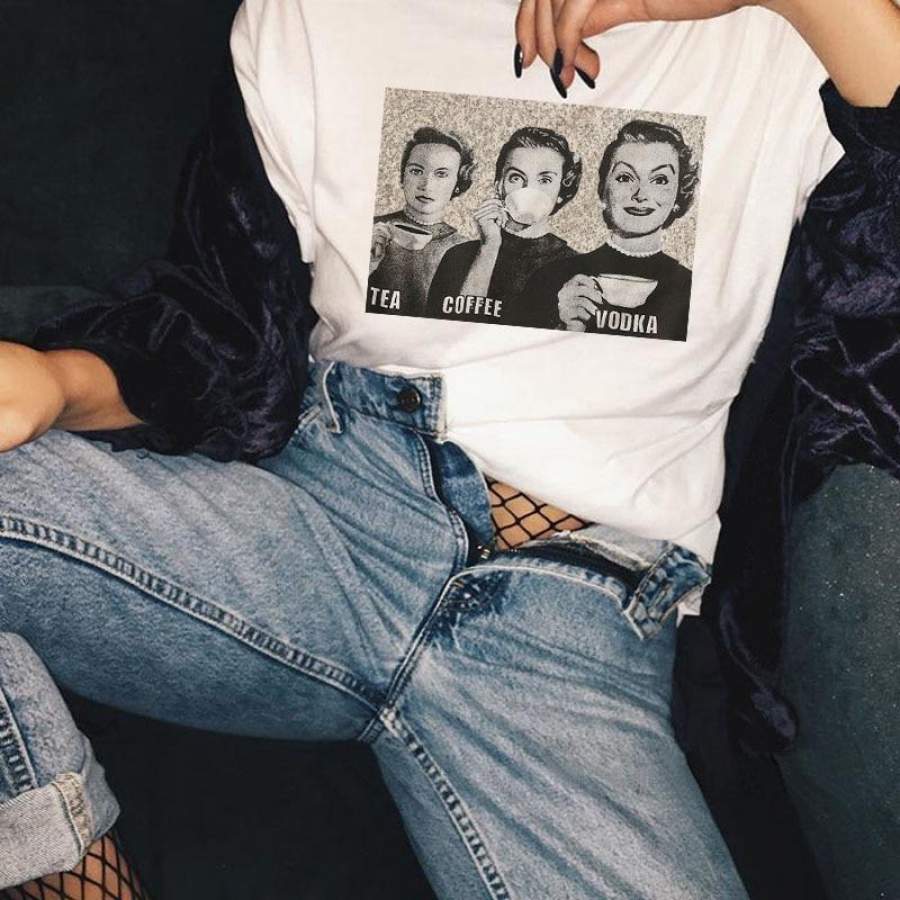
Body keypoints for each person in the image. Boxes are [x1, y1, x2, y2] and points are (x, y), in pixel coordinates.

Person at [1, 0, 898, 898]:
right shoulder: (310, 18)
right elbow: (225, 323)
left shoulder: (776, 42)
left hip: (571, 618)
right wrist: (61, 383)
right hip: (325, 527)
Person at [521, 119, 697, 339]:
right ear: (604, 190)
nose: (640, 194)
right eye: (625, 177)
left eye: (659, 180)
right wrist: (564, 328)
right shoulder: (551, 277)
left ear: (679, 196)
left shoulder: (691, 289)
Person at [425, 126, 580, 324]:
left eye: (545, 180)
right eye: (516, 177)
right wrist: (489, 248)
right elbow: (450, 331)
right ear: (499, 185)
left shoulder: (574, 267)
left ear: (561, 193)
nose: (528, 189)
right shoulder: (458, 257)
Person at [368, 126, 475, 317]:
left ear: (458, 185)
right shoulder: (369, 228)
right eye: (416, 171)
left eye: (441, 174)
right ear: (403, 177)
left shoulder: (464, 250)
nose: (427, 185)